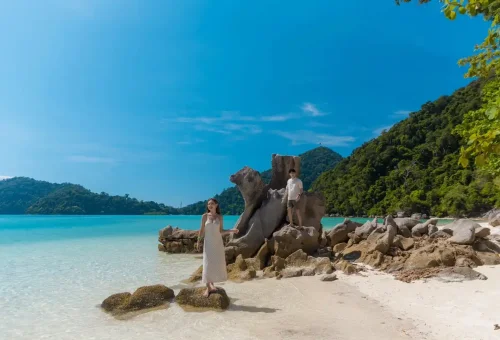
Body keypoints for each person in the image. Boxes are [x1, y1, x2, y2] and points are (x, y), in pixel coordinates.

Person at [196, 198, 238, 297]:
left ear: (216, 205)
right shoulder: (204, 216)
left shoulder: (220, 217)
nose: (210, 205)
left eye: (212, 204)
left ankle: (212, 284)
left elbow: (221, 231)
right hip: (208, 243)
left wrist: (232, 230)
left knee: (215, 263)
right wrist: (198, 241)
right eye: (208, 204)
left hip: (218, 243)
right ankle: (208, 287)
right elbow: (201, 230)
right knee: (207, 263)